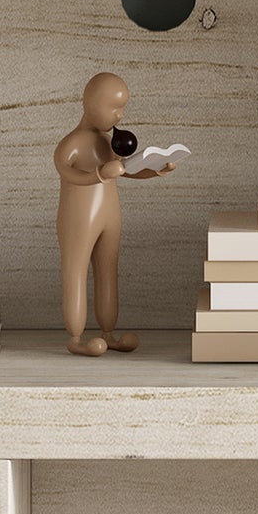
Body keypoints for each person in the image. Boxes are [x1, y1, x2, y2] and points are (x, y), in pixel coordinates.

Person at [53, 72, 174, 357]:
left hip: (109, 215)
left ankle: (108, 332)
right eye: (114, 107)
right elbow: (65, 170)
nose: (119, 115)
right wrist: (99, 173)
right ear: (91, 103)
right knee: (76, 271)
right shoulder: (72, 142)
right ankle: (76, 336)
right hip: (77, 218)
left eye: (122, 108)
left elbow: (126, 171)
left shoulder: (108, 143)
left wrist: (156, 171)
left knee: (108, 273)